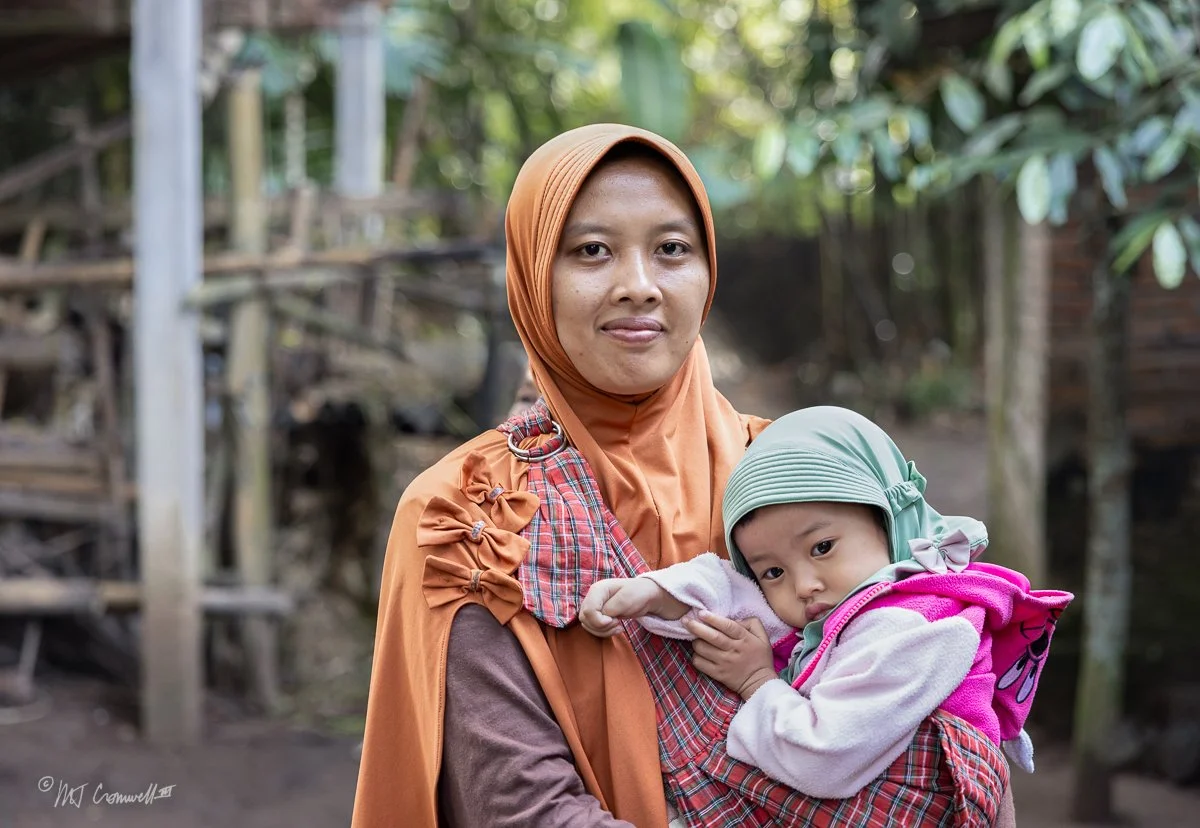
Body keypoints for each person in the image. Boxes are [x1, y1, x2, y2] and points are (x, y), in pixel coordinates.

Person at [351, 124, 1019, 827]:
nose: (639, 286)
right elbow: (522, 808)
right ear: (531, 274)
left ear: (706, 274)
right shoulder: (474, 516)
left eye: (671, 250)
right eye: (591, 251)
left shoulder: (793, 476)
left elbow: (965, 736)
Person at [580, 405, 1073, 809]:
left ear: (887, 521)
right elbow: (735, 589)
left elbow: (825, 757)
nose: (803, 585)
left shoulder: (916, 628)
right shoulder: (852, 599)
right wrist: (653, 592)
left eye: (821, 547)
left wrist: (756, 683)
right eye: (772, 570)